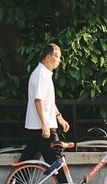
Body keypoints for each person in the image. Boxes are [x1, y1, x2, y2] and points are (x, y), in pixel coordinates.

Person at [18, 43, 70, 176]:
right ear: (47, 58)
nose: (59, 60)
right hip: (43, 125)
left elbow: (49, 101)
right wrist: (45, 124)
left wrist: (60, 118)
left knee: (30, 156)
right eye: (57, 57)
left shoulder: (45, 73)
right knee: (55, 157)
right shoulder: (41, 74)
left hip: (40, 124)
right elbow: (38, 100)